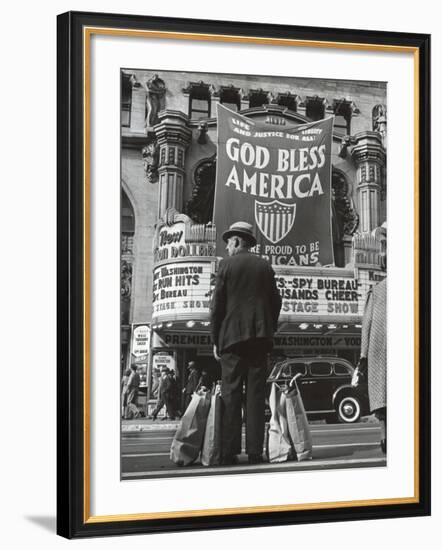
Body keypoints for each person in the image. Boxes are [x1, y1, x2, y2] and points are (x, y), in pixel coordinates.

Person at [210, 221, 282, 465]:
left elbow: (216, 307)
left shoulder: (225, 265)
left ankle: (229, 451)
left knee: (230, 396)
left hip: (231, 341)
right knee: (255, 396)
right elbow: (276, 302)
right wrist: (268, 328)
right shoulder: (264, 266)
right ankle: (254, 451)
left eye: (229, 242)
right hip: (259, 341)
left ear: (237, 241)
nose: (227, 247)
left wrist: (215, 340)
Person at [353, 274, 387, 453]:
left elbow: (366, 325)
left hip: (379, 349)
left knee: (381, 396)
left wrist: (363, 355)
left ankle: (384, 437)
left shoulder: (377, 290)